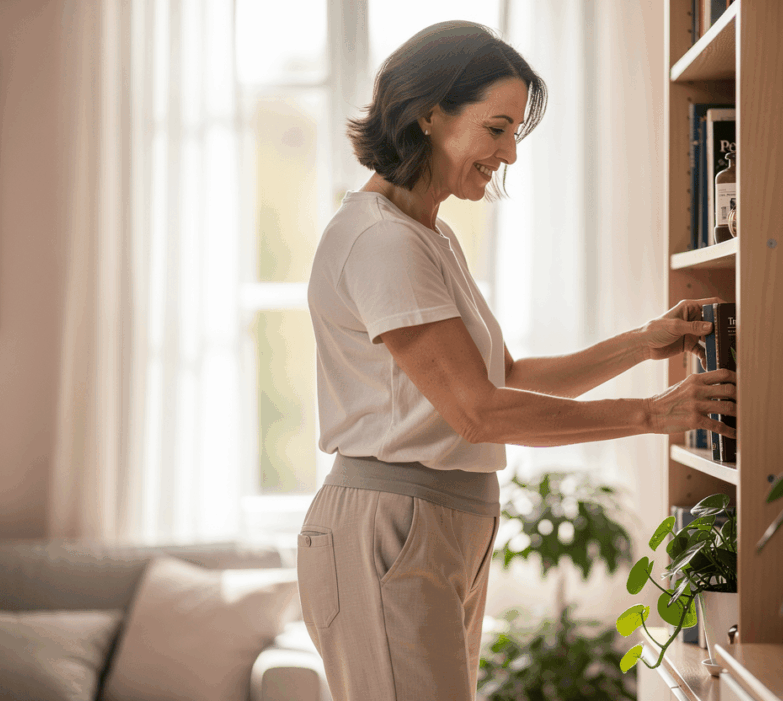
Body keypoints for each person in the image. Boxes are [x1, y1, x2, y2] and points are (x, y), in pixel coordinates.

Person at [296, 20, 737, 701]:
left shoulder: (430, 237)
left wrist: (641, 343)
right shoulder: (383, 242)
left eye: (513, 133)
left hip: (437, 522)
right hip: (395, 526)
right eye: (496, 129)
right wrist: (653, 414)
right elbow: (479, 413)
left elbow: (507, 377)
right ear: (429, 114)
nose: (509, 153)